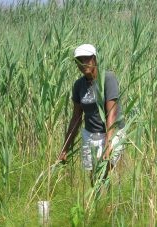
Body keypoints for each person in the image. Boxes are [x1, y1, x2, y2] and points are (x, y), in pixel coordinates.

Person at [58, 44, 125, 186]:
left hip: (111, 132)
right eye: (79, 61)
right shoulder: (79, 85)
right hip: (90, 134)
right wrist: (65, 147)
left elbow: (111, 113)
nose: (83, 64)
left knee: (107, 171)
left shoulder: (108, 78)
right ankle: (96, 205)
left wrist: (108, 142)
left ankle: (111, 205)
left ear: (94, 59)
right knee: (94, 175)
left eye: (86, 59)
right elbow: (76, 118)